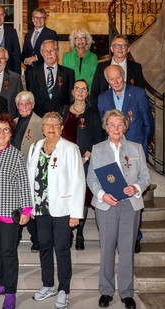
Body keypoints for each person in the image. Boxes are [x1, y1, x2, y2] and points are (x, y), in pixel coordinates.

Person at [87, 109, 150, 309]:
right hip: (106, 205)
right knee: (107, 249)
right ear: (106, 127)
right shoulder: (97, 149)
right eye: (112, 124)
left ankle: (126, 293)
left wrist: (136, 187)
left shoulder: (136, 148)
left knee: (126, 249)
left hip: (130, 205)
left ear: (125, 127)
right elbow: (91, 179)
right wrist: (102, 195)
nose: (116, 128)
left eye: (120, 124)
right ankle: (106, 291)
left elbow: (145, 178)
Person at [27, 112, 85, 309]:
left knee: (61, 249)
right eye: (47, 124)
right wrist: (31, 206)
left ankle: (63, 290)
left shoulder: (70, 148)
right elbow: (30, 178)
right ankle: (48, 285)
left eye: (55, 124)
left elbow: (79, 181)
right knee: (44, 246)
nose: (50, 127)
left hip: (63, 209)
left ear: (61, 127)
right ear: (42, 128)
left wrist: (76, 212)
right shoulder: (35, 147)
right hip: (41, 208)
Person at [97, 65, 154, 253]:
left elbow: (148, 122)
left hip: (133, 151)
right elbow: (102, 126)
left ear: (124, 76)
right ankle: (114, 237)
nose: (116, 82)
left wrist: (142, 146)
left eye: (118, 77)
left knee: (134, 195)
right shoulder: (103, 98)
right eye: (112, 79)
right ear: (108, 81)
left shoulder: (138, 93)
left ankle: (134, 237)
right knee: (115, 194)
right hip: (111, 152)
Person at [0, 113, 32, 309]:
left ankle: (10, 291)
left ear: (11, 133)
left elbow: (24, 184)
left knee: (9, 252)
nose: (2, 133)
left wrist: (26, 209)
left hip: (9, 211)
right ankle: (0, 283)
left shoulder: (16, 154)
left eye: (6, 129)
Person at [60, 80, 105, 250]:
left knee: (82, 197)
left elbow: (98, 138)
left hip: (84, 162)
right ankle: (68, 232)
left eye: (83, 89)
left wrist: (86, 156)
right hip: (65, 161)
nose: (80, 92)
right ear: (72, 92)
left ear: (87, 94)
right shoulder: (64, 111)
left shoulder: (93, 113)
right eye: (77, 88)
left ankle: (79, 233)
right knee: (66, 195)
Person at [10, 91, 44, 252]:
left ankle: (36, 239)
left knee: (30, 208)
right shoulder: (13, 122)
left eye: (27, 104)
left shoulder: (40, 123)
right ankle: (14, 238)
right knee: (14, 206)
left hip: (32, 174)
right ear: (16, 106)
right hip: (13, 172)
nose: (24, 107)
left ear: (33, 105)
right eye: (21, 104)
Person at [91, 35, 144, 107]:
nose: (120, 48)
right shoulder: (101, 67)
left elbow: (140, 93)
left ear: (128, 49)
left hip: (129, 112)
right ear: (111, 49)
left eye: (123, 46)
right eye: (116, 46)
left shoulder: (136, 68)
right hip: (106, 110)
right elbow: (94, 92)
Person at [26, 40, 75, 117]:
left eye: (52, 50)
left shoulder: (68, 73)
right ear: (41, 53)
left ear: (57, 52)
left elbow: (71, 99)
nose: (49, 54)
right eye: (45, 51)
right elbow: (30, 99)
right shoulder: (32, 73)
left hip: (61, 118)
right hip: (39, 118)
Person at [0, 47, 23, 118]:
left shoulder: (15, 78)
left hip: (8, 121)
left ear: (6, 60)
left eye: (2, 58)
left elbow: (20, 103)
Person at [62, 29, 98, 94]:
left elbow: (94, 77)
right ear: (74, 41)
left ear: (87, 40)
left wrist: (83, 89)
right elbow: (65, 77)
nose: (80, 40)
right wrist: (76, 89)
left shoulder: (93, 57)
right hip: (71, 92)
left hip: (88, 92)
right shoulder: (66, 56)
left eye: (82, 38)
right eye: (77, 38)